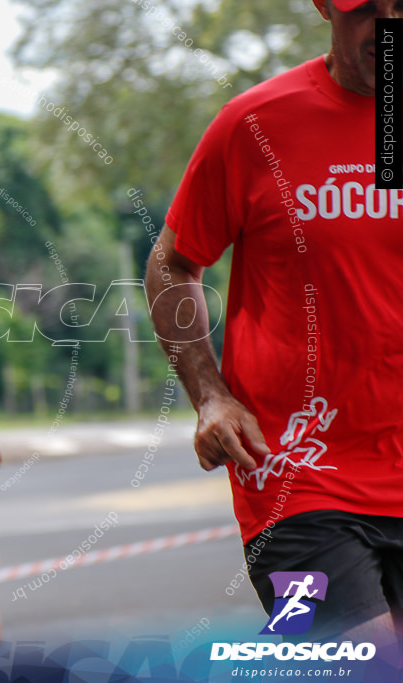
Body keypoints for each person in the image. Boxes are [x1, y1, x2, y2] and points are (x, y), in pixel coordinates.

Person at [146, 0, 403, 648]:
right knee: (362, 662)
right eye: (366, 8)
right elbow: (173, 264)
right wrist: (209, 394)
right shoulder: (256, 125)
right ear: (325, 6)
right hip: (297, 471)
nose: (385, 25)